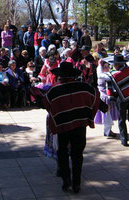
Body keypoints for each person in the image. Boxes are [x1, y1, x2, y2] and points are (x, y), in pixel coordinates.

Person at [32, 61, 103, 193]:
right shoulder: (84, 87)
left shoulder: (55, 89)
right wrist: (90, 113)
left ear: (61, 76)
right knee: (77, 155)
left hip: (62, 127)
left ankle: (66, 182)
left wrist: (37, 96)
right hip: (80, 125)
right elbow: (96, 97)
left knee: (62, 153)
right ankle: (77, 183)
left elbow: (44, 104)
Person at [104, 55, 129, 146]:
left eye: (115, 64)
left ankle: (124, 140)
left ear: (117, 64)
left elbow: (110, 88)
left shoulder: (113, 75)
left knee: (122, 119)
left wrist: (111, 99)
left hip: (120, 100)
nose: (114, 66)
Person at [95, 59, 119, 137]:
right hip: (105, 96)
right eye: (106, 67)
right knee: (107, 114)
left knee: (109, 114)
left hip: (106, 96)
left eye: (108, 66)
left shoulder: (104, 74)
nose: (108, 68)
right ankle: (107, 131)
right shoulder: (102, 75)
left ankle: (108, 130)